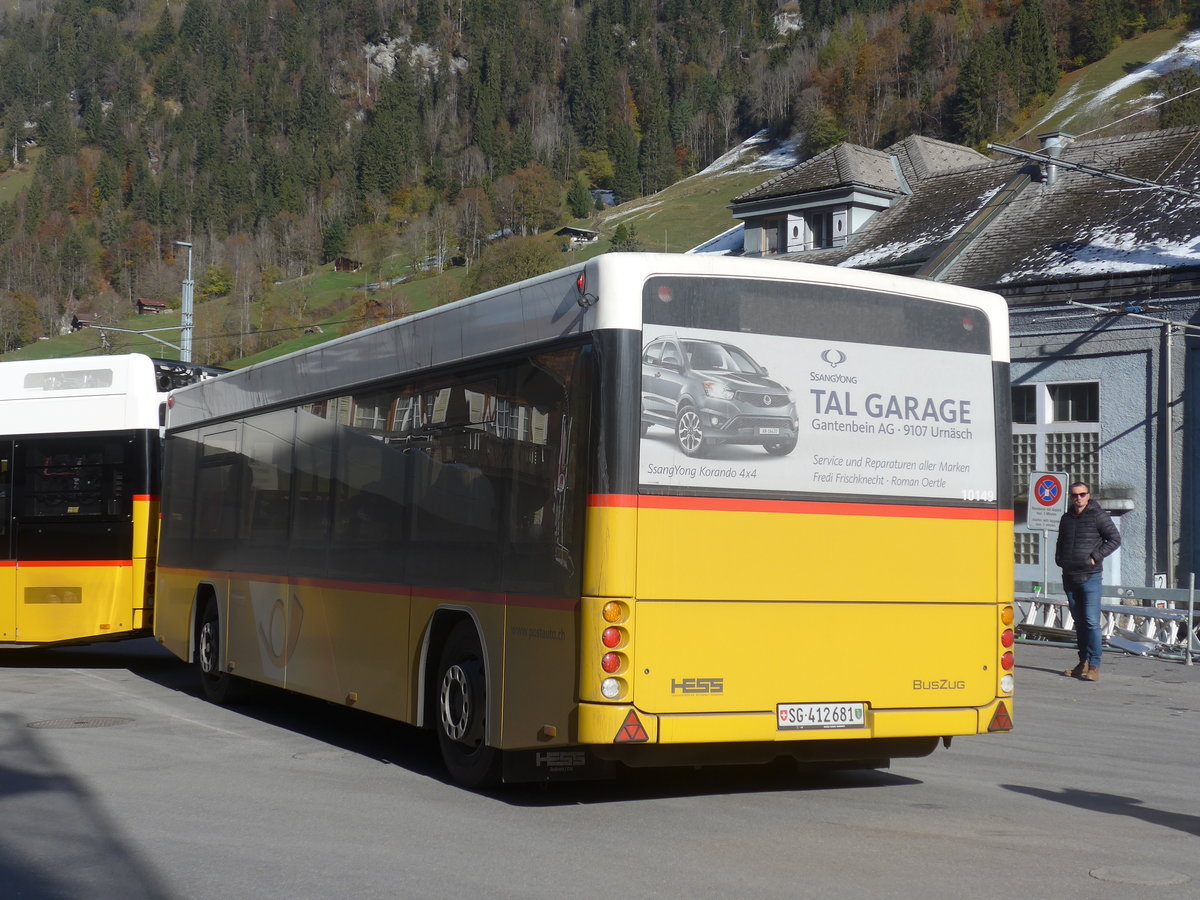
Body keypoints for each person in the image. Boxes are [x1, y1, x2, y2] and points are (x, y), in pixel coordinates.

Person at [1055, 482, 1120, 682]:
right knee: (1080, 622)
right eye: (1075, 495)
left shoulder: (1098, 515)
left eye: (1082, 494)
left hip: (1090, 576)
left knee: (1091, 621)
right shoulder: (1066, 518)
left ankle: (1094, 665)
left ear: (1088, 495)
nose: (1079, 498)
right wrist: (1059, 560)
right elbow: (1060, 541)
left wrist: (1094, 557)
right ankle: (1082, 662)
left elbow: (1115, 539)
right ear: (1071, 497)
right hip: (1070, 576)